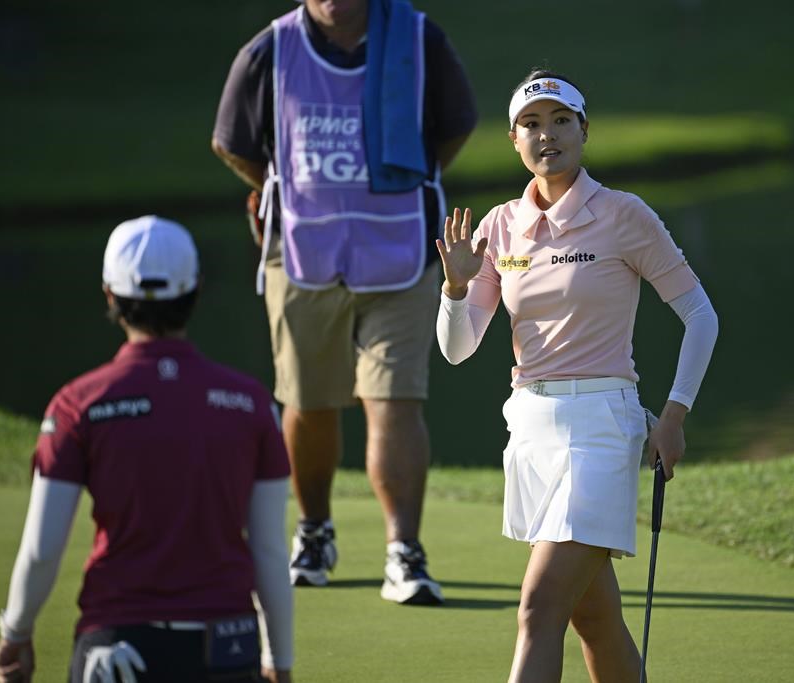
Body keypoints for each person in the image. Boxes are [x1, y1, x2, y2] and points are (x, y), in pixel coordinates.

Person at [435, 70, 719, 681]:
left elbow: (701, 315)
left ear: (584, 131)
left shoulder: (623, 215)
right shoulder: (500, 227)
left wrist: (674, 414)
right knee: (594, 620)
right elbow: (459, 349)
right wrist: (456, 289)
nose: (547, 135)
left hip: (601, 430)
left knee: (539, 608)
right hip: (530, 430)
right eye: (531, 125)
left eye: (561, 121)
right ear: (513, 140)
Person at [211, 0, 477, 605]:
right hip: (302, 252)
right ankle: (315, 533)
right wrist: (281, 191)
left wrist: (406, 177)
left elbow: (456, 125)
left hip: (401, 250)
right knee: (308, 401)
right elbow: (232, 143)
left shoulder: (418, 37)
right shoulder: (270, 49)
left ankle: (403, 553)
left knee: (395, 399)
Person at [0, 216, 294, 683]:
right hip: (226, 648)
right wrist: (280, 661)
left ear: (110, 295)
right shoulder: (250, 403)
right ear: (195, 291)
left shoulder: (78, 404)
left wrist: (16, 632)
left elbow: (42, 549)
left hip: (116, 648)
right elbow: (270, 551)